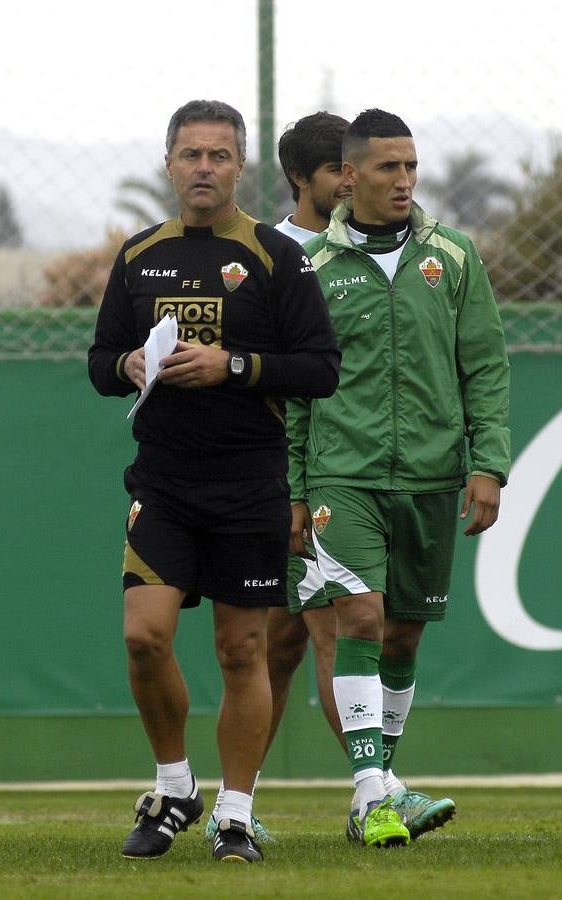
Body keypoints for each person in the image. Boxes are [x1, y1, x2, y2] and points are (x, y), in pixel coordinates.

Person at [87, 99, 341, 864]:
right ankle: (173, 788)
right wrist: (128, 364)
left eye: (218, 155)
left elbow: (321, 368)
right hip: (162, 484)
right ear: (168, 164)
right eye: (190, 154)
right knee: (143, 637)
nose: (203, 167)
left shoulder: (274, 256)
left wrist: (231, 364)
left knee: (241, 650)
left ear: (240, 167)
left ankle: (234, 815)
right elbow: (100, 362)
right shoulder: (138, 254)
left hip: (248, 484)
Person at [287, 108, 511, 848]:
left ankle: (377, 794)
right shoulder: (311, 269)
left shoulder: (451, 256)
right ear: (348, 177)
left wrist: (488, 463)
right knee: (358, 620)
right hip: (339, 476)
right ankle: (370, 789)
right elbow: (293, 396)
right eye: (388, 167)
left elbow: (482, 364)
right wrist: (294, 488)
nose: (404, 180)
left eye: (411, 166)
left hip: (429, 478)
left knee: (403, 639)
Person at [203, 112, 351, 843]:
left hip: (351, 465)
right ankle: (373, 792)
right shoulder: (266, 254)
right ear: (303, 177)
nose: (352, 184)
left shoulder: (383, 250)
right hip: (284, 475)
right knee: (325, 630)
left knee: (290, 641)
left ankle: (237, 805)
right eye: (339, 171)